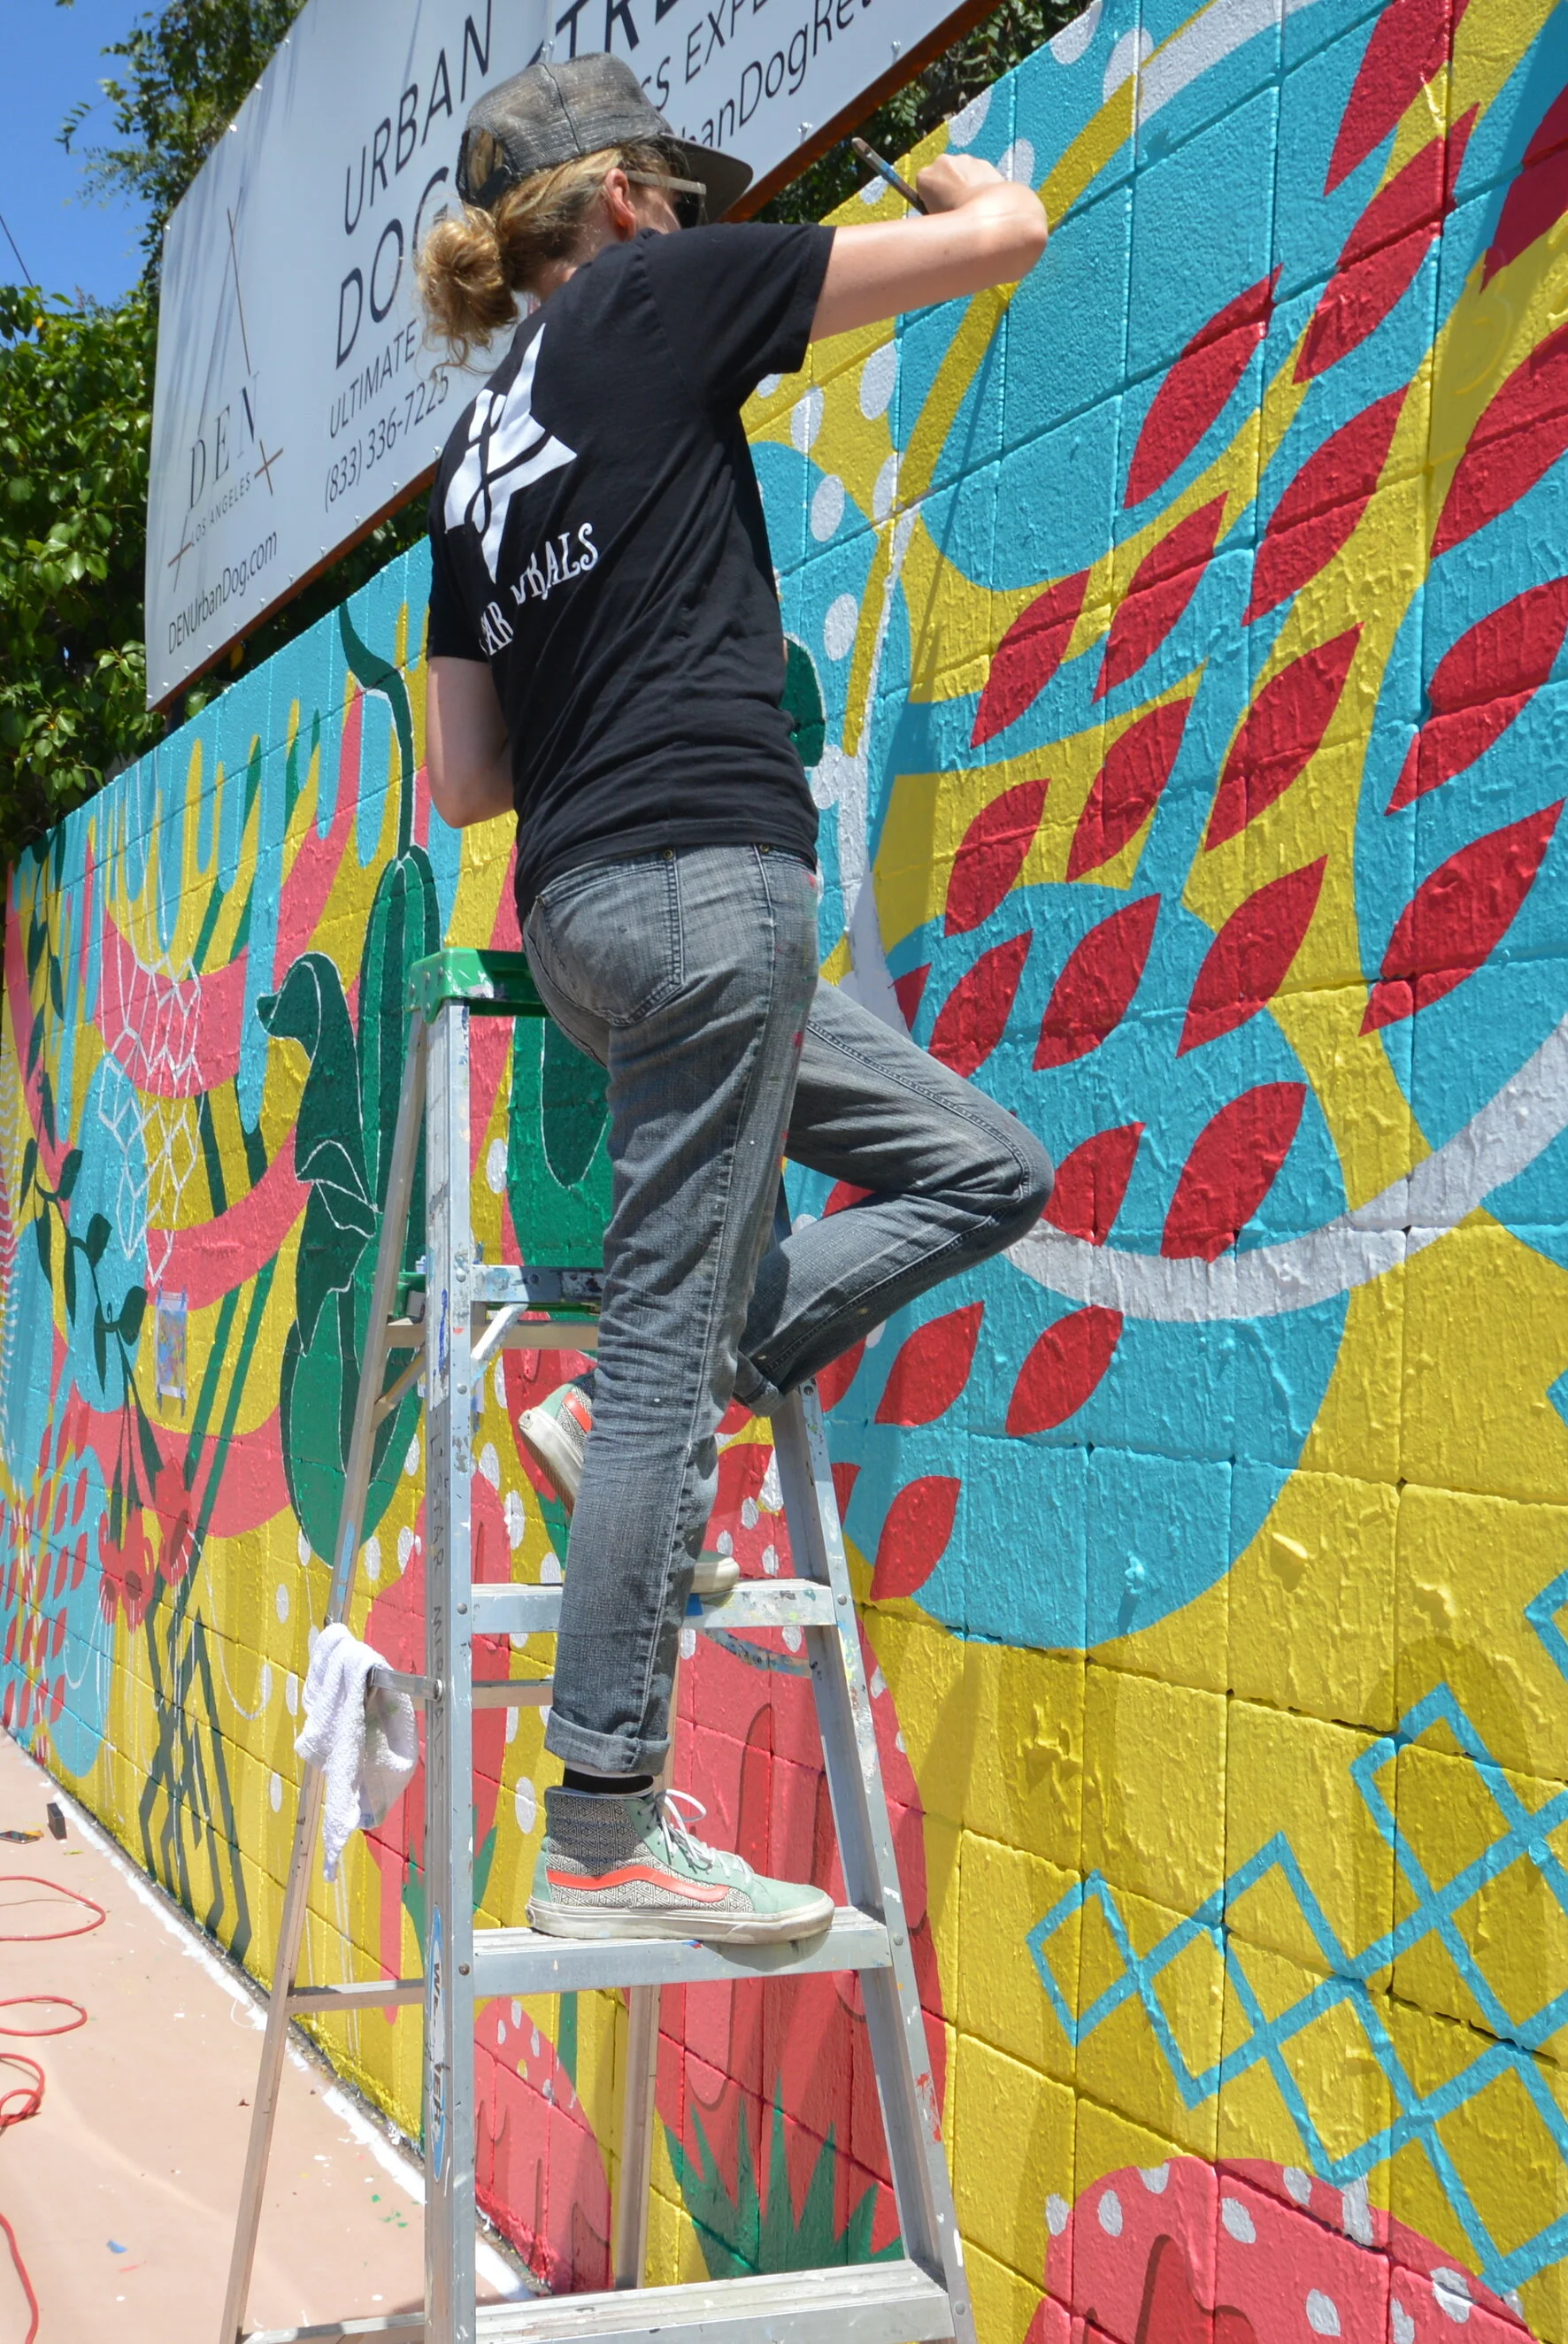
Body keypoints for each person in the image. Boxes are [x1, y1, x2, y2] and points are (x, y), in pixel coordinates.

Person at [417, 55, 1053, 1948]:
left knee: (980, 1167)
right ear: (615, 202)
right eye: (673, 193)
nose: (695, 217)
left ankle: (702, 1368)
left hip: (591, 926)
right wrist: (957, 179)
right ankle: (607, 1817)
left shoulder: (471, 456)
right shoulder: (645, 295)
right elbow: (1007, 236)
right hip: (710, 892)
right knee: (645, 1361)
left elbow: (463, 780)